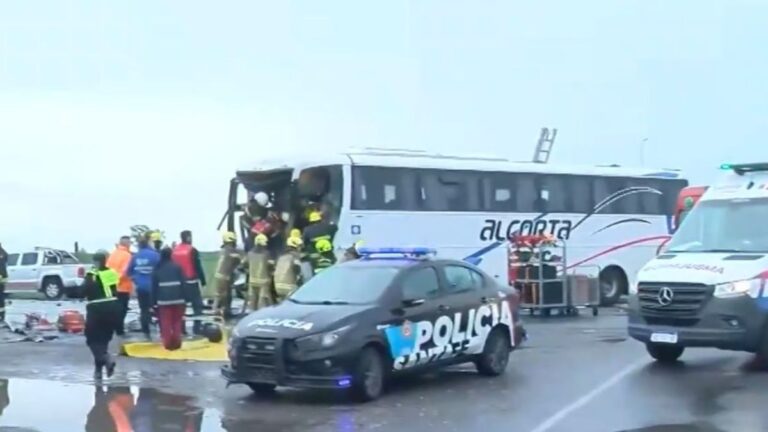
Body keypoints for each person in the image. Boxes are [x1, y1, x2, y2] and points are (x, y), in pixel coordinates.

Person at [83, 252, 121, 381]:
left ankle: (106, 359)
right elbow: (113, 290)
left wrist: (72, 291)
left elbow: (84, 290)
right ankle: (98, 370)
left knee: (92, 339)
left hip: (97, 309)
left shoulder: (92, 275)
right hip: (113, 308)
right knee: (103, 341)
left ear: (96, 262)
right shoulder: (111, 273)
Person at [171, 230, 206, 335]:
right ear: (188, 238)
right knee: (197, 306)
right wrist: (203, 281)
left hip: (178, 283)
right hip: (191, 281)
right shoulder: (192, 250)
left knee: (181, 307)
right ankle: (197, 328)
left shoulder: (174, 250)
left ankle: (181, 329)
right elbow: (197, 266)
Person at [126, 235, 160, 340]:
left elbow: (128, 272)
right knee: (158, 309)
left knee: (144, 310)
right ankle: (161, 330)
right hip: (154, 287)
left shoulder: (135, 257)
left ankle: (146, 333)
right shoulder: (155, 255)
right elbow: (161, 269)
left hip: (141, 287)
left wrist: (135, 280)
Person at [152, 247, 187, 350]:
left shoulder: (158, 268)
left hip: (163, 301)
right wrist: (186, 298)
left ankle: (167, 344)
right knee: (177, 321)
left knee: (165, 322)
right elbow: (183, 283)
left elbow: (154, 287)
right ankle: (177, 342)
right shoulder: (177, 267)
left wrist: (153, 302)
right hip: (179, 299)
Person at [106, 236, 133, 337]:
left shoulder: (112, 254)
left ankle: (113, 328)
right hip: (123, 287)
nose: (130, 245)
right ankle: (119, 330)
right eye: (129, 243)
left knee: (114, 309)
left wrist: (110, 282)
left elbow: (107, 269)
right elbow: (125, 271)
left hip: (112, 287)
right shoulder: (127, 256)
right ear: (126, 244)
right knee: (122, 310)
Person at [212, 231, 243, 318]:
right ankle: (223, 312)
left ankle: (216, 310)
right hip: (224, 277)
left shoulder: (224, 249)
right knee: (225, 296)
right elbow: (241, 260)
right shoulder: (231, 251)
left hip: (219, 275)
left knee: (219, 295)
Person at [273, 235, 303, 303]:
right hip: (290, 287)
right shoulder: (295, 256)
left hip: (277, 286)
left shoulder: (280, 256)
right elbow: (298, 271)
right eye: (299, 246)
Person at [247, 234, 272, 311]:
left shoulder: (250, 253)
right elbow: (270, 265)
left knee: (253, 300)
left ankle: (252, 314)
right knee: (262, 300)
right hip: (263, 281)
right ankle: (261, 313)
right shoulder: (266, 254)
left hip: (252, 281)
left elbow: (243, 264)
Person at [0, 242, 8, 324]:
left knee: (0, 298)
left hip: (1, 278)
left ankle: (1, 315)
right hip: (2, 279)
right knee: (1, 297)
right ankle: (2, 315)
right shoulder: (3, 252)